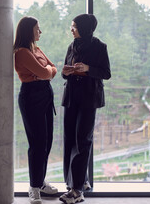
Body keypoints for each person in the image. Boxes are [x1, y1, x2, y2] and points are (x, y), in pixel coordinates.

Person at [60, 14, 111, 204]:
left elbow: (106, 73)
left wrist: (88, 68)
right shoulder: (72, 46)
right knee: (69, 140)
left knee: (83, 140)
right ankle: (78, 182)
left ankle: (77, 191)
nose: (71, 29)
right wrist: (66, 72)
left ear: (85, 27)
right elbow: (67, 72)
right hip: (71, 98)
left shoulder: (99, 47)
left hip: (89, 99)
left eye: (74, 26)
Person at [14, 16, 58, 204]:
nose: (40, 32)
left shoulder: (36, 49)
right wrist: (45, 72)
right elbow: (45, 72)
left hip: (45, 95)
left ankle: (40, 182)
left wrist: (46, 72)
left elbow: (53, 68)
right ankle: (33, 187)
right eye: (37, 29)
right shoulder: (22, 52)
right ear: (28, 31)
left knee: (47, 142)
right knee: (37, 143)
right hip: (31, 97)